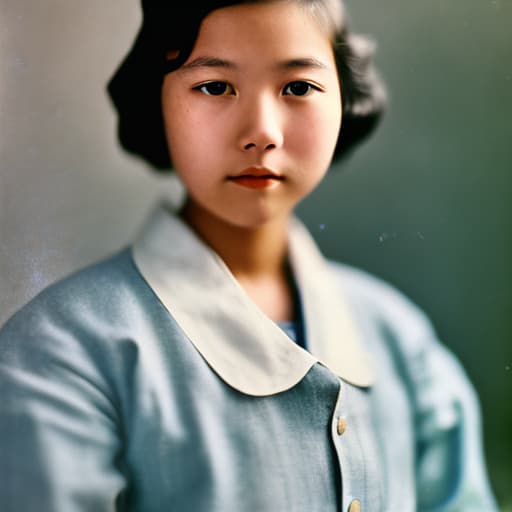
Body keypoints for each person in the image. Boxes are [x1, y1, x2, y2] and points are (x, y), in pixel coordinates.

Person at [0, 1, 498, 510]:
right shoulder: (60, 353)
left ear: (345, 98)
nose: (262, 132)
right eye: (215, 87)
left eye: (298, 87)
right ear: (158, 100)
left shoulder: (400, 341)